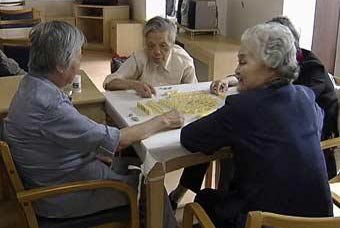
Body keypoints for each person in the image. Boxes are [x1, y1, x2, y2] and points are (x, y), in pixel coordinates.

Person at [2, 21, 181, 227]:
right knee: (153, 185)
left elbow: (82, 137)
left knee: (143, 167)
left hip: (61, 174)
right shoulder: (48, 104)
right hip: (64, 196)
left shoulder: (30, 83)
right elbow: (118, 140)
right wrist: (163, 119)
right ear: (61, 65)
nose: (80, 61)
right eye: (78, 55)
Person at [179, 22, 333, 228]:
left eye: (243, 62)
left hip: (263, 222)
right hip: (320, 222)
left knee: (206, 198)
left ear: (271, 66)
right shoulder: (305, 97)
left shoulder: (243, 107)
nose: (236, 70)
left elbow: (189, 137)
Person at [211, 16, 339, 179]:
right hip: (285, 133)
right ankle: (188, 191)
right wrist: (230, 79)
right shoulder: (284, 64)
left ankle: (225, 195)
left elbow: (288, 108)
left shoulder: (313, 71)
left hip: (309, 145)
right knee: (221, 132)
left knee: (229, 137)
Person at [103, 16, 198, 98]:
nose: (157, 52)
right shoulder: (140, 56)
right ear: (145, 44)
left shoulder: (184, 62)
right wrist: (134, 84)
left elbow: (194, 93)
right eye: (151, 46)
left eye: (163, 46)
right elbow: (108, 83)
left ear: (172, 44)